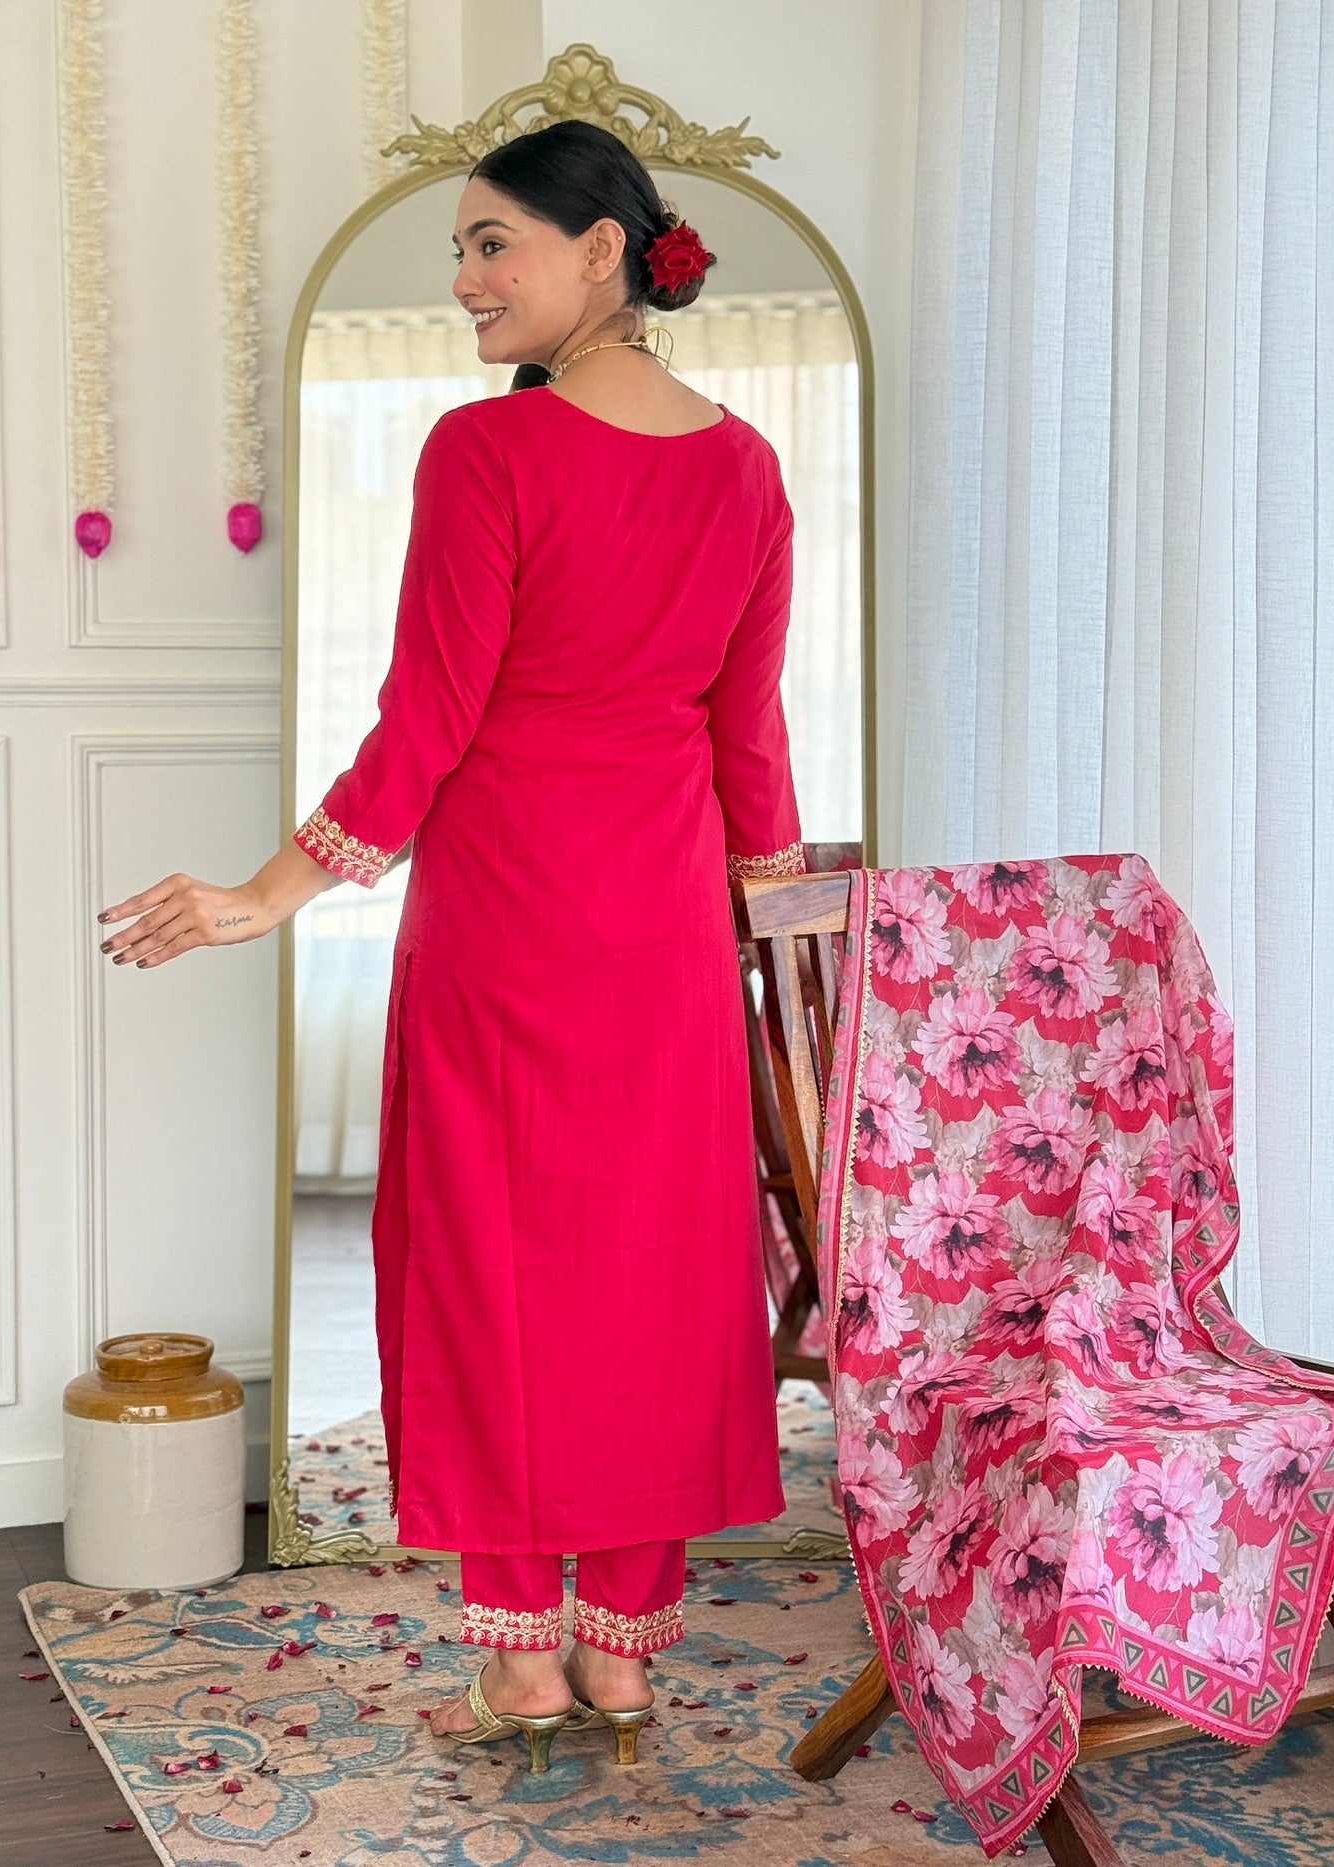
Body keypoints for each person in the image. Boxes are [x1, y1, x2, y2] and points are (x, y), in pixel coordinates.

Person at [96, 118, 807, 1770]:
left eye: (495, 244)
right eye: (463, 250)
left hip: (507, 924)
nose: (469, 280)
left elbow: (428, 718)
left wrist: (269, 892)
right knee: (647, 1277)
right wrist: (779, 928)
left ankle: (523, 1668)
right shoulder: (747, 470)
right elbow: (748, 741)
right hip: (666, 938)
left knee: (498, 1278)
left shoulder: (490, 453)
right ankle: (620, 1654)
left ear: (604, 252)